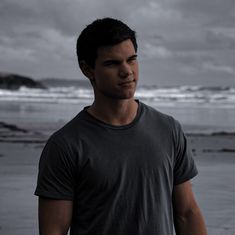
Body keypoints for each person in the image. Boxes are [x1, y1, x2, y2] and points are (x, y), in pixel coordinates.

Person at [35, 17, 207, 235]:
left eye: (131, 59)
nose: (127, 71)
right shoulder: (66, 145)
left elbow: (187, 213)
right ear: (87, 70)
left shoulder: (168, 129)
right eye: (112, 63)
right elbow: (54, 231)